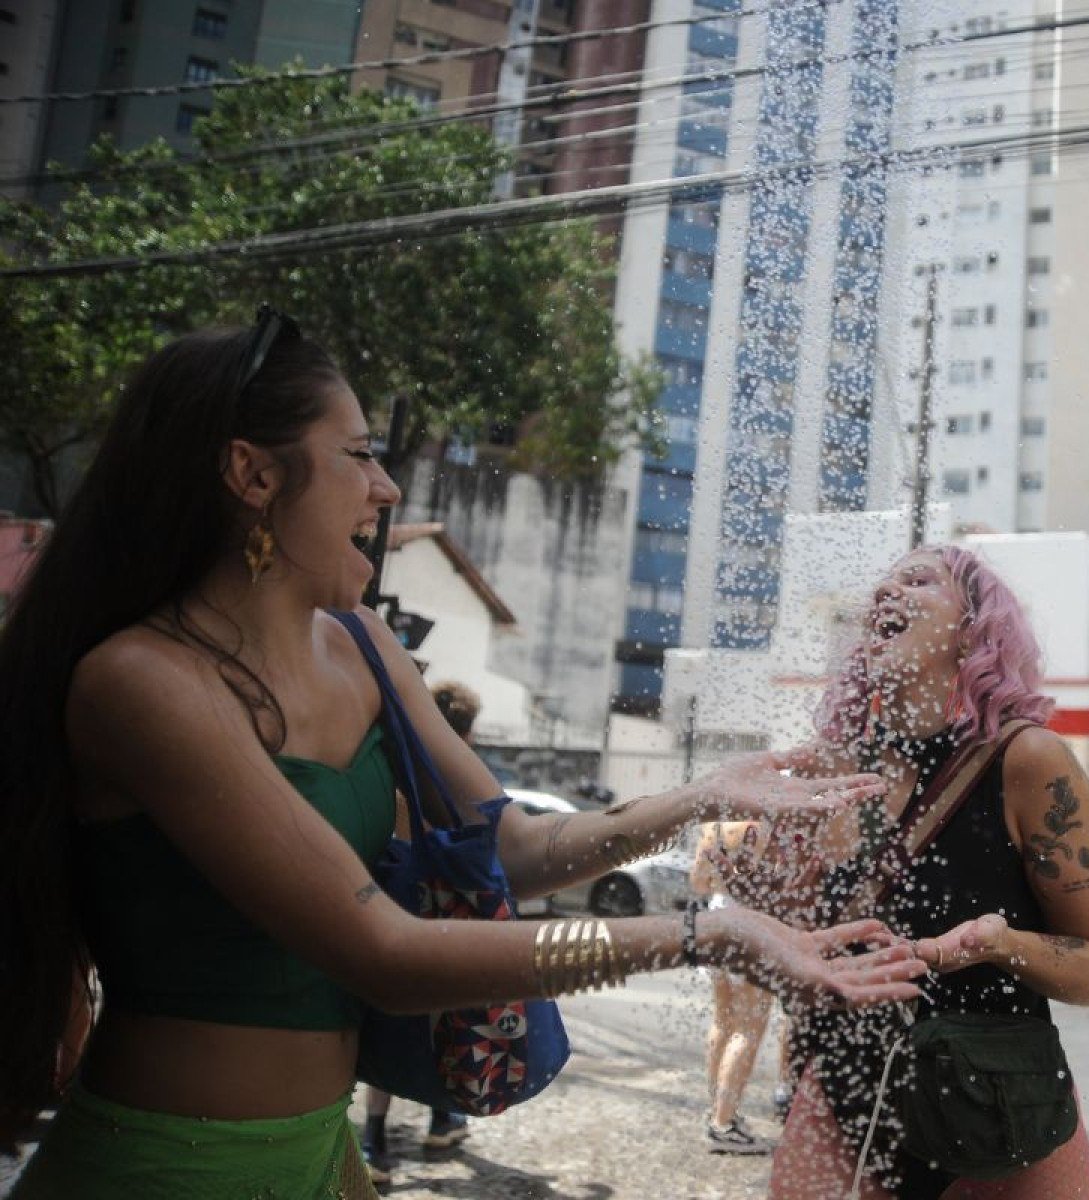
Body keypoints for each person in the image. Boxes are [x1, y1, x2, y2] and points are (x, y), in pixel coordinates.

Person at [0, 309, 927, 1199]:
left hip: (322, 1157)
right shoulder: (143, 683)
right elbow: (385, 953)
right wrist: (702, 936)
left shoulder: (362, 646)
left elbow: (511, 846)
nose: (387, 489)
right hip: (164, 1164)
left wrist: (700, 796)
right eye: (359, 455)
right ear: (252, 473)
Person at [720, 546, 1089, 1199]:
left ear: (973, 630)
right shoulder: (836, 772)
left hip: (1002, 1106)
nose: (885, 593)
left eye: (918, 581)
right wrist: (765, 903)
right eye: (882, 584)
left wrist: (1001, 944)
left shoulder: (1029, 760)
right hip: (846, 1098)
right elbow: (814, 960)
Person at [358, 681, 485, 1182]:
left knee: (391, 1022)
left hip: (389, 902)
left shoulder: (392, 766)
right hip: (441, 911)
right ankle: (439, 1120)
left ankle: (374, 1142)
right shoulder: (457, 780)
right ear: (464, 734)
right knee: (443, 1023)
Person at [691, 821, 778, 1154]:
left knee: (723, 1020)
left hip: (717, 917)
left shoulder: (715, 826)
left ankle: (718, 1109)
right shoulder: (765, 826)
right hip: (752, 924)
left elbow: (698, 882)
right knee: (748, 1028)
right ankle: (723, 1122)